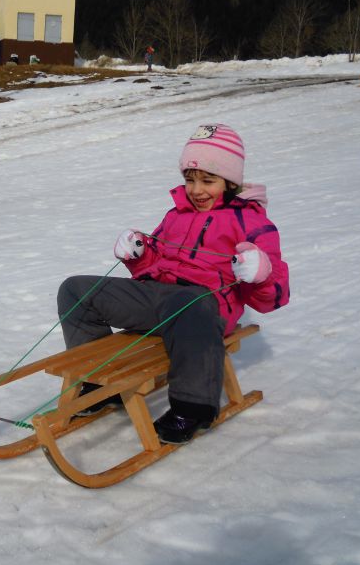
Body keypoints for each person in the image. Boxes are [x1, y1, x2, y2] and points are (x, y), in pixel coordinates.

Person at [57, 124, 290, 443]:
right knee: (75, 289)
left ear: (231, 181)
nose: (196, 190)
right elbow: (154, 264)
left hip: (204, 308)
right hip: (159, 298)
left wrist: (261, 271)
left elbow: (274, 297)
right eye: (190, 179)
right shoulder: (176, 214)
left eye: (208, 180)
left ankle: (192, 407)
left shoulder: (250, 221)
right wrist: (138, 254)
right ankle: (100, 383)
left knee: (187, 301)